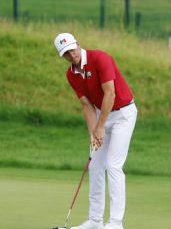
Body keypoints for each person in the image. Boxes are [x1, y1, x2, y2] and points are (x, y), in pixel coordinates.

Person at [54, 33, 137, 229]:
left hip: (123, 114)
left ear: (78, 44)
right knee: (95, 165)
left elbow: (110, 93)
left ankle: (116, 223)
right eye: (66, 53)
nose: (71, 54)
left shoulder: (100, 58)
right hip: (102, 115)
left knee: (113, 165)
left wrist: (100, 127)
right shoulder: (71, 74)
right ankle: (95, 221)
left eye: (72, 49)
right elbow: (86, 105)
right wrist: (94, 133)